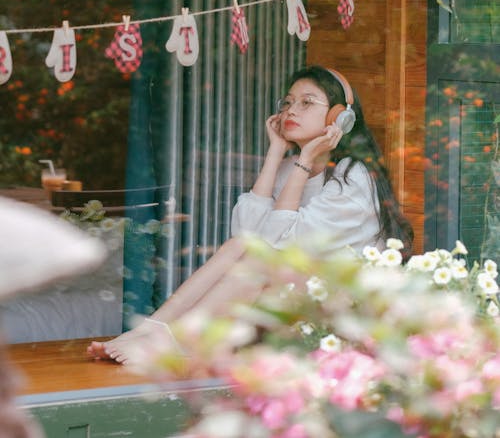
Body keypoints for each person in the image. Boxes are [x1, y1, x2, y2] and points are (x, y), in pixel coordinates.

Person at [87, 64, 413, 364]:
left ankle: (177, 342)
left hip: (341, 303)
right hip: (296, 286)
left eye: (306, 103)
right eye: (288, 102)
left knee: (258, 263)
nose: (290, 111)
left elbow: (282, 246)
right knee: (242, 249)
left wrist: (300, 164)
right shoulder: (289, 167)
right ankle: (152, 330)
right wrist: (276, 152)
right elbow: (246, 236)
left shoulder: (351, 176)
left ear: (339, 118)